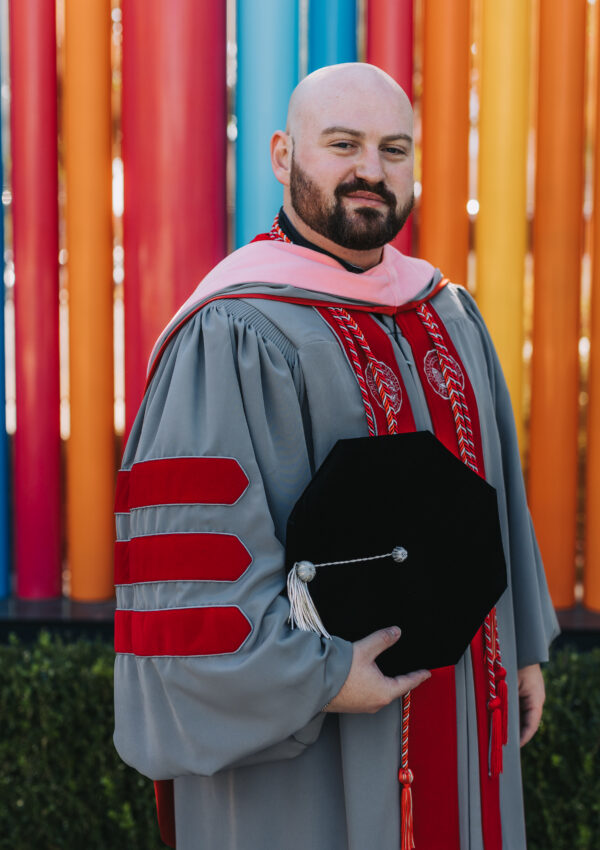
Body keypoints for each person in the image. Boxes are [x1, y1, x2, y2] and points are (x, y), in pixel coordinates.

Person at [114, 63, 558, 850]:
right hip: (312, 745)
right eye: (343, 144)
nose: (369, 171)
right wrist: (316, 680)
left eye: (393, 149)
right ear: (283, 155)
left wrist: (519, 647)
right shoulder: (233, 330)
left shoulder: (447, 313)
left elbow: (496, 498)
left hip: (460, 704)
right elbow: (191, 584)